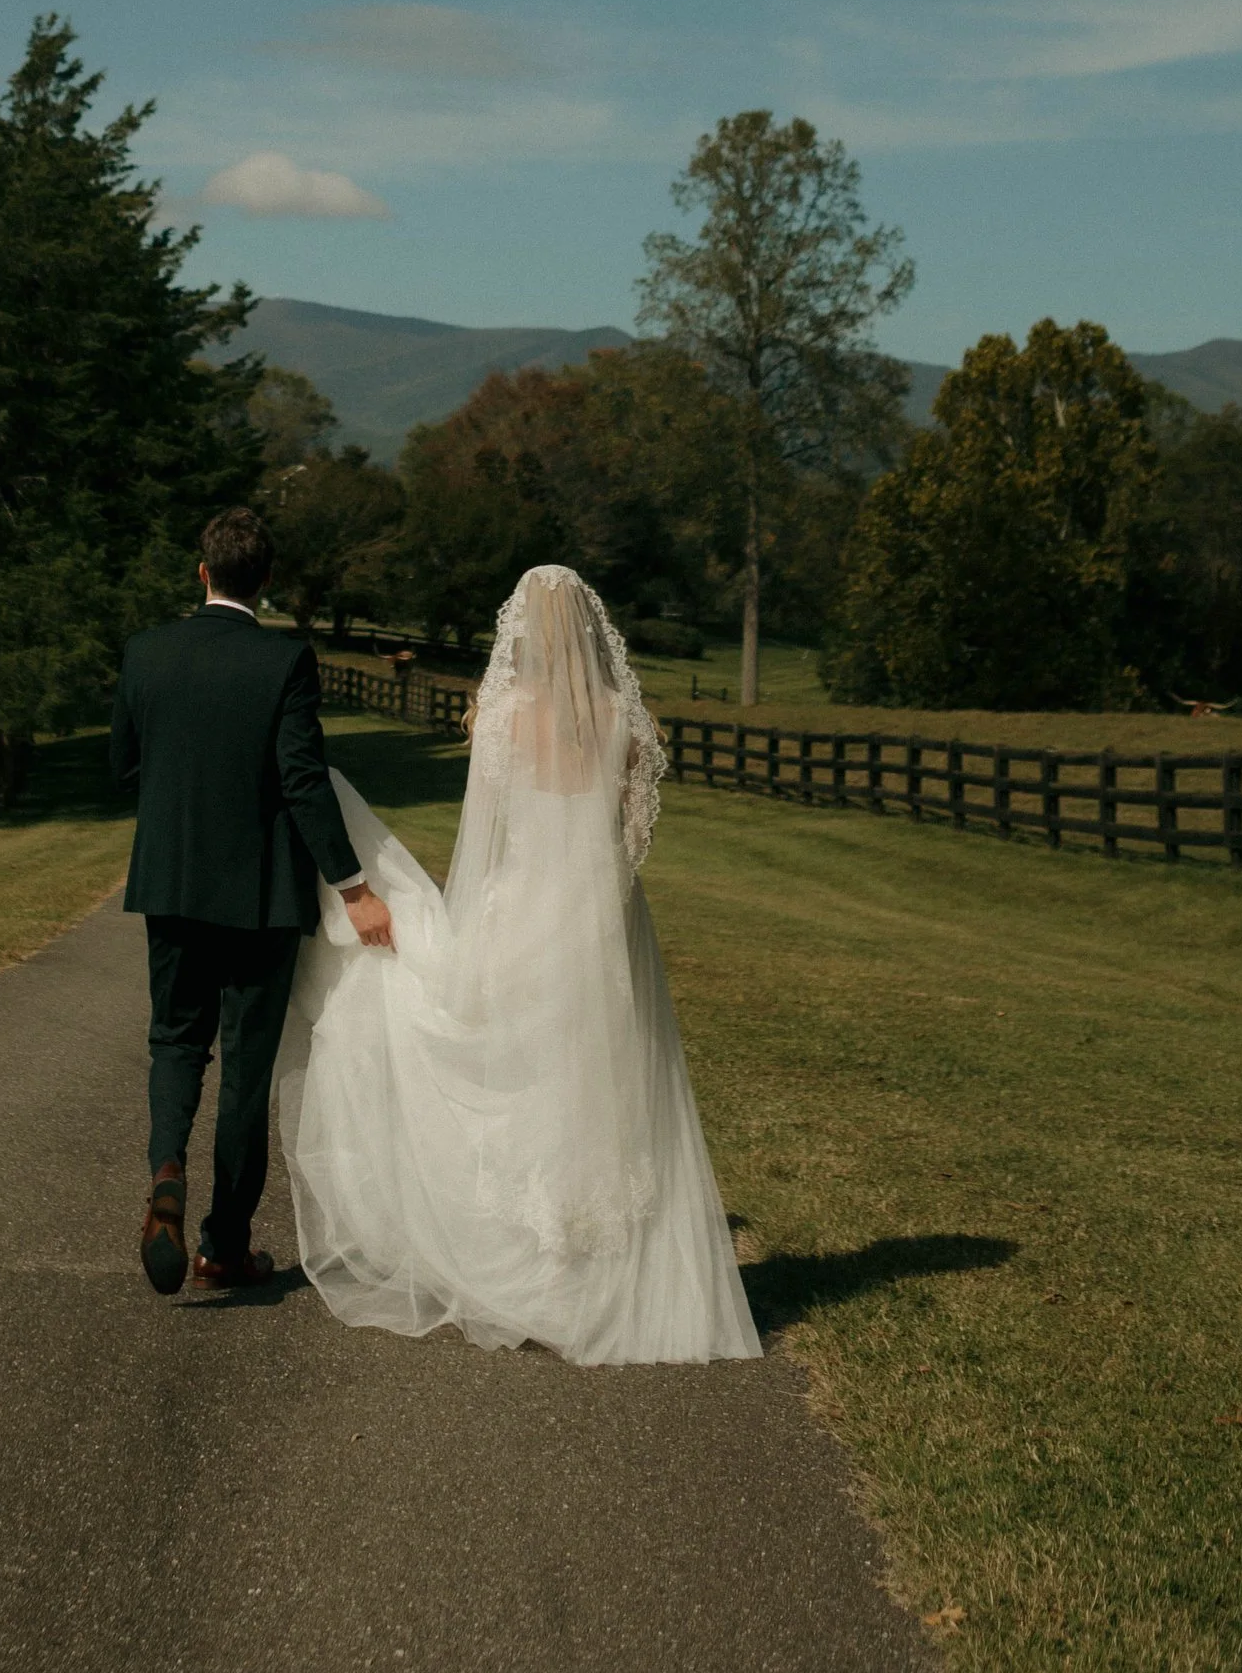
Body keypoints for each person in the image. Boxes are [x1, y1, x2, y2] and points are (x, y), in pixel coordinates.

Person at [276, 563, 761, 1364]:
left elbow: (487, 834)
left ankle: (534, 1271)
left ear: (523, 633)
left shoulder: (504, 715)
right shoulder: (626, 721)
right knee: (601, 1080)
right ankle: (609, 1274)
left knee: (521, 1074)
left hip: (525, 903)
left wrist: (480, 911)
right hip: (605, 918)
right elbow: (632, 839)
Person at [110, 504, 394, 1303]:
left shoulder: (144, 652)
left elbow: (123, 768)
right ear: (265, 581)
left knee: (175, 1039)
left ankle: (167, 1167)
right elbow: (302, 781)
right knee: (245, 1071)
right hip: (263, 896)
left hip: (169, 882)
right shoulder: (285, 661)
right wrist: (356, 888)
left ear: (202, 572)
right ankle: (222, 1246)